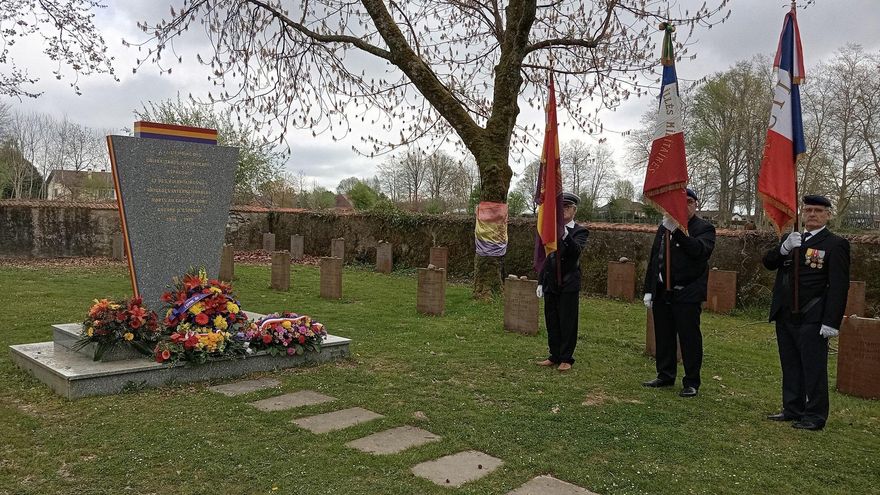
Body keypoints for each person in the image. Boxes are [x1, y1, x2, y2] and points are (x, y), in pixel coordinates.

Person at [763, 195, 850, 431]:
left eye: (818, 210)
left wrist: (831, 321)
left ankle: (815, 415)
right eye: (808, 209)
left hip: (813, 316)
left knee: (813, 368)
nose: (812, 214)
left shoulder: (835, 244)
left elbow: (839, 286)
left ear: (828, 215)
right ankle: (793, 408)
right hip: (786, 314)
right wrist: (783, 248)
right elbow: (769, 263)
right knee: (790, 364)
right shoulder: (792, 239)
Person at [642, 188, 716, 397]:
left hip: (687, 292)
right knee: (664, 336)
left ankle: (692, 381)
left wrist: (677, 230)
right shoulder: (664, 226)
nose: (685, 206)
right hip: (662, 291)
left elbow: (699, 251)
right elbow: (655, 258)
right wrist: (649, 289)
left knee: (689, 338)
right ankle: (665, 375)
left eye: (689, 202)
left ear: (695, 205)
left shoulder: (704, 228)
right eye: (679, 202)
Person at [536, 192, 589, 371]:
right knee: (551, 320)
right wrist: (541, 281)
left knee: (567, 320)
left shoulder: (580, 231)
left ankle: (566, 357)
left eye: (567, 207)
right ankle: (554, 355)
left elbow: (575, 252)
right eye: (561, 207)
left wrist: (564, 233)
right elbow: (545, 257)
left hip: (568, 282)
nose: (564, 210)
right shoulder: (550, 229)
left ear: (574, 210)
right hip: (551, 281)